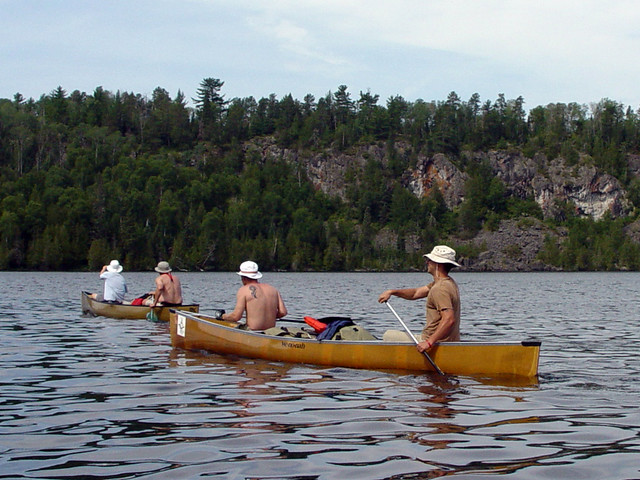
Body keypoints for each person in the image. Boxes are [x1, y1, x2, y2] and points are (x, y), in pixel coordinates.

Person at [378, 245, 460, 353]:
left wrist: (429, 342)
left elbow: (449, 319)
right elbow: (415, 293)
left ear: (437, 264)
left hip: (433, 343)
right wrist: (392, 292)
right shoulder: (446, 283)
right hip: (447, 341)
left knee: (387, 335)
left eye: (430, 260)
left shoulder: (439, 289)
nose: (427, 263)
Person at [221, 260, 288, 330]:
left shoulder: (243, 290)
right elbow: (283, 312)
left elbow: (236, 317)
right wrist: (268, 317)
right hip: (270, 332)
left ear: (243, 277)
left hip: (252, 332)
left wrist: (223, 316)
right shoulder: (273, 289)